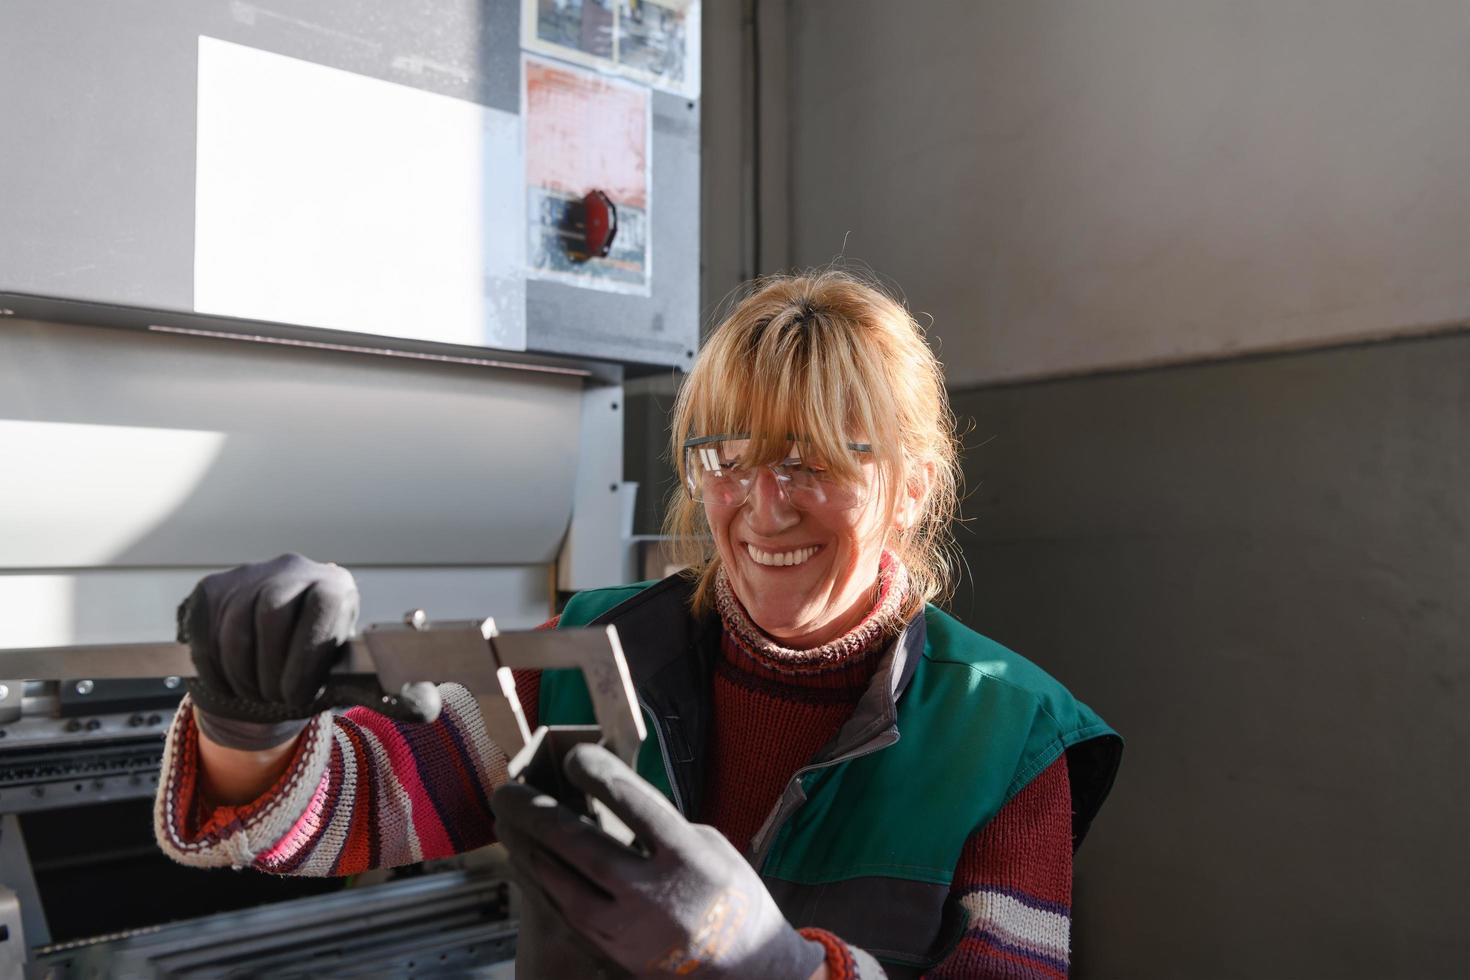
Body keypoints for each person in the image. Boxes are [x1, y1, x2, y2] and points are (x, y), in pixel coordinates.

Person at [155, 269, 1122, 979]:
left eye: (813, 462)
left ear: (910, 488)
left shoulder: (1011, 738)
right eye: (728, 459)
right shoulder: (585, 652)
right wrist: (250, 727)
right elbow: (368, 805)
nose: (763, 507)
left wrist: (779, 969)